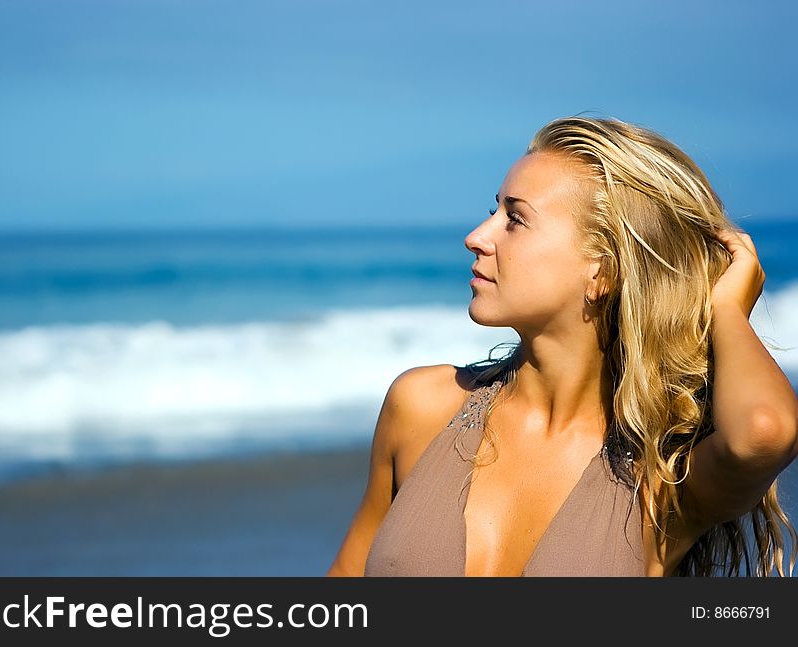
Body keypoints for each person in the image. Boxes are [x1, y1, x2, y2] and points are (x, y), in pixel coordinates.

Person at [326, 115, 798, 577]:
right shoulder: (423, 407)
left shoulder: (663, 476)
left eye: (515, 219)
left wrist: (728, 309)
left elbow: (764, 430)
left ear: (603, 270)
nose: (476, 237)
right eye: (494, 212)